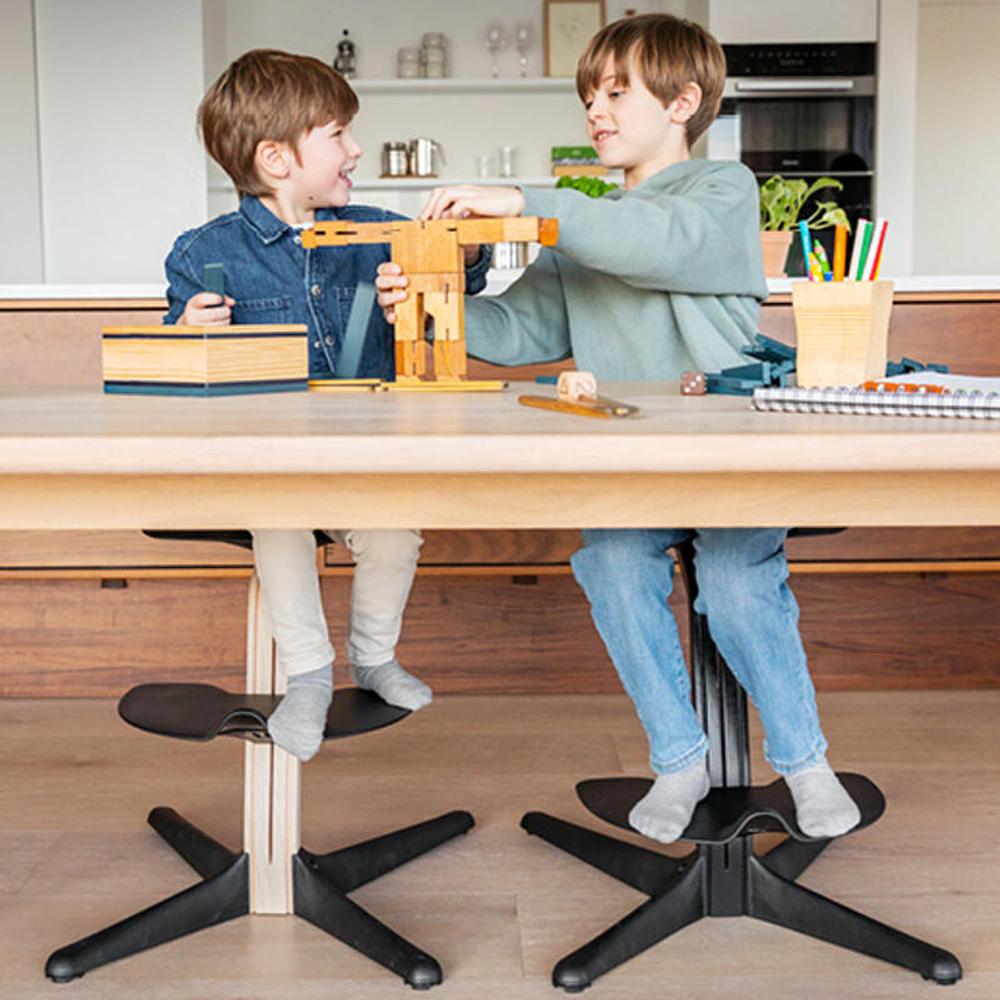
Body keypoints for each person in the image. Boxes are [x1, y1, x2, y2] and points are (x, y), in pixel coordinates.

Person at [376, 14, 860, 842]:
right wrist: (430, 306)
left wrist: (529, 201)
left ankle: (805, 760)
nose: (595, 110)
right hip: (630, 458)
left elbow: (656, 242)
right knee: (612, 563)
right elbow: (520, 334)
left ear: (683, 102)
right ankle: (680, 758)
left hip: (729, 452)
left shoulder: (721, 193)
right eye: (588, 96)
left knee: (740, 583)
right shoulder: (584, 228)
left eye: (616, 92)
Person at [163, 49, 491, 761]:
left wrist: (456, 260)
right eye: (338, 133)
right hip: (267, 467)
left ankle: (372, 658)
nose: (356, 148)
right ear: (277, 158)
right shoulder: (200, 253)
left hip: (361, 460)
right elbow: (169, 364)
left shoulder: (377, 229)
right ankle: (309, 674)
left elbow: (467, 266)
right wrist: (189, 333)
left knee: (397, 531)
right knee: (278, 520)